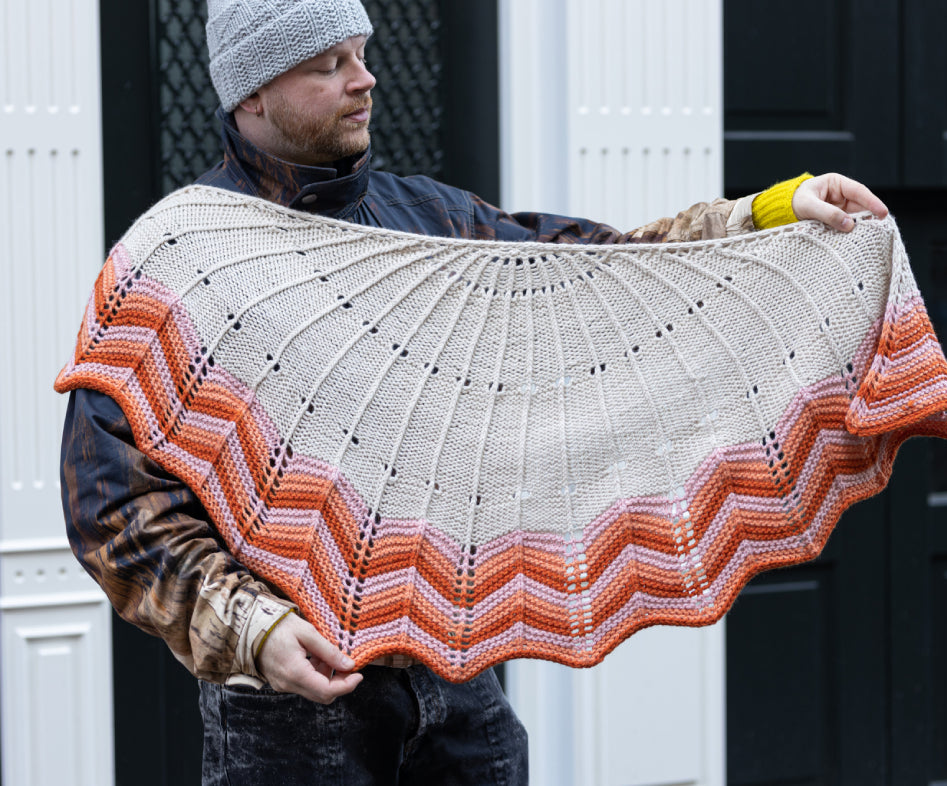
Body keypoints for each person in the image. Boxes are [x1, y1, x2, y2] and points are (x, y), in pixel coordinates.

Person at [59, 1, 889, 783]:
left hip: (460, 688)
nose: (365, 79)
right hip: (287, 712)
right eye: (328, 64)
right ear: (251, 93)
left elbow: (607, 270)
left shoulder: (427, 221)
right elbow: (112, 506)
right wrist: (253, 629)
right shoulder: (181, 259)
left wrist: (768, 216)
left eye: (363, 53)